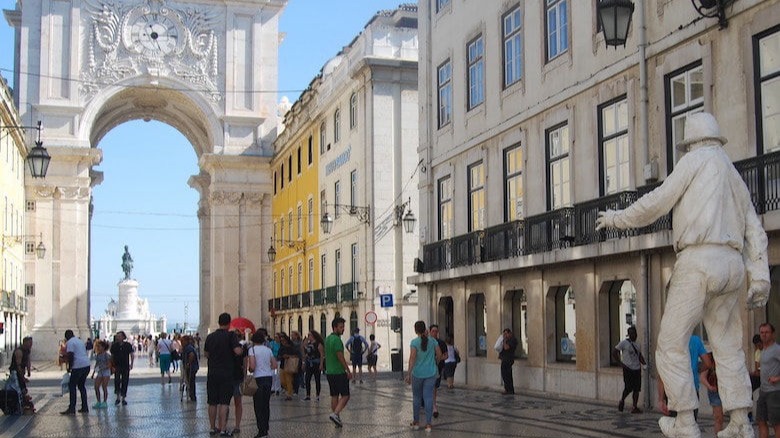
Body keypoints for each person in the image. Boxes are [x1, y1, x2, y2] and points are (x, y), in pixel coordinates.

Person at [595, 112, 770, 438]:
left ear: (690, 142)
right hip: (731, 264)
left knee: (671, 343)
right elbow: (754, 227)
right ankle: (740, 421)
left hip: (698, 261)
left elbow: (657, 202)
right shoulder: (732, 173)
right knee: (729, 346)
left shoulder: (694, 161)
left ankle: (685, 420)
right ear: (717, 137)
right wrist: (759, 275)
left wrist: (618, 219)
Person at [204, 312, 242, 437]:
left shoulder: (210, 337)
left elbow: (206, 354)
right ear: (229, 323)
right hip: (226, 373)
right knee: (224, 402)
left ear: (218, 322)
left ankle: (211, 427)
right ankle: (223, 429)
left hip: (212, 373)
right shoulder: (231, 336)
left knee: (212, 402)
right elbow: (237, 351)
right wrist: (241, 349)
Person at [405, 320, 443, 433]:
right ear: (425, 328)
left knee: (417, 398)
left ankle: (416, 422)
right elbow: (440, 355)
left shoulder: (414, 342)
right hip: (431, 373)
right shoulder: (433, 341)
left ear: (416, 330)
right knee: (428, 397)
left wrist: (408, 374)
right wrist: (435, 363)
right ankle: (428, 424)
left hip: (417, 373)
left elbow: (412, 359)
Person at [247, 329, 277, 438]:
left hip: (258, 379)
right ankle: (266, 428)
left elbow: (252, 367)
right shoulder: (268, 350)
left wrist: (250, 369)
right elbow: (274, 365)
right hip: (268, 378)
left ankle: (261, 430)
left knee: (258, 406)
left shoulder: (252, 350)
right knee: (266, 404)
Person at [324, 316, 352, 428]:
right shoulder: (337, 340)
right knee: (346, 395)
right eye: (341, 327)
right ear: (335, 327)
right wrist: (347, 369)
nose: (343, 329)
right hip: (338, 372)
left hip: (329, 372)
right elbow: (340, 356)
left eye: (343, 327)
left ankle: (337, 419)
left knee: (334, 395)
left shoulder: (327, 339)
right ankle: (335, 414)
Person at [613, 326, 646, 414]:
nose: (633, 335)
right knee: (628, 388)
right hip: (628, 369)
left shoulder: (638, 344)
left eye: (635, 333)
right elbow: (615, 351)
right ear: (629, 334)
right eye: (631, 333)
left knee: (636, 389)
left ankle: (634, 407)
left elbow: (639, 355)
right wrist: (620, 363)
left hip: (637, 369)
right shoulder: (624, 343)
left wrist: (644, 364)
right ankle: (622, 400)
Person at [757, 323, 780, 438]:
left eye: (767, 332)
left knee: (776, 424)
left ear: (772, 334)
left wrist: (777, 378)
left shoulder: (777, 349)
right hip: (763, 391)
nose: (764, 335)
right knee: (761, 421)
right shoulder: (763, 350)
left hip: (774, 392)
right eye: (762, 332)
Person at [61, 329, 91, 415]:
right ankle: (85, 406)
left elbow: (71, 355)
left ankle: (72, 408)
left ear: (66, 336)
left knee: (72, 386)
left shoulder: (70, 342)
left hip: (78, 366)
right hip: (86, 365)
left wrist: (69, 367)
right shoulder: (79, 341)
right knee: (81, 386)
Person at [700, 352, 724, 435]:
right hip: (715, 391)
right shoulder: (710, 357)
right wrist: (710, 387)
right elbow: (702, 377)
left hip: (726, 390)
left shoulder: (726, 356)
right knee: (719, 418)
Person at [110, 331, 134, 406]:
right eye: (117, 336)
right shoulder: (114, 346)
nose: (118, 337)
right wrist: (112, 366)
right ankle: (117, 397)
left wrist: (131, 364)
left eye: (120, 336)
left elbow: (132, 354)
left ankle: (123, 398)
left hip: (125, 366)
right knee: (116, 381)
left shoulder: (128, 345)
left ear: (123, 337)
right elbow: (112, 356)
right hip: (117, 366)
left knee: (125, 381)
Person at [429, 324, 448, 418]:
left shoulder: (441, 343)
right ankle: (432, 405)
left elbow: (446, 355)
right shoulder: (427, 342)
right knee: (430, 387)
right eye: (433, 331)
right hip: (427, 369)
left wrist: (439, 358)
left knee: (434, 388)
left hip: (438, 368)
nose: (435, 333)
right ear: (429, 332)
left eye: (436, 331)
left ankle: (433, 405)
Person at [303, 330, 325, 401]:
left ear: (313, 336)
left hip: (316, 363)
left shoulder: (318, 344)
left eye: (309, 335)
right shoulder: (309, 344)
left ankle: (317, 395)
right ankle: (308, 395)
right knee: (307, 379)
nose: (308, 336)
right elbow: (305, 353)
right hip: (309, 363)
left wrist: (321, 364)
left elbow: (322, 354)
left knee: (317, 379)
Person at [278, 334, 299, 401]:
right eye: (281, 341)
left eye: (283, 340)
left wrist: (289, 356)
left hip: (289, 365)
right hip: (282, 365)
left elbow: (296, 355)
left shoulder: (292, 347)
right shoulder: (281, 348)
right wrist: (282, 356)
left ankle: (289, 394)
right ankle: (288, 390)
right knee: (282, 381)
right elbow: (278, 355)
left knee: (288, 380)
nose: (282, 342)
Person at [91, 340, 111, 409]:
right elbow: (97, 364)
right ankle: (98, 401)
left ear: (103, 347)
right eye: (97, 346)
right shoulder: (98, 355)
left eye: (99, 346)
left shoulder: (106, 355)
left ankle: (105, 402)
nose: (98, 348)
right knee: (96, 386)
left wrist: (103, 368)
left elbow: (109, 365)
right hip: (99, 372)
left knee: (104, 387)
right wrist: (94, 373)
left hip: (106, 372)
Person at [499, 328, 518, 395]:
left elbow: (506, 347)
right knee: (504, 375)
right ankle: (507, 389)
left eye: (506, 333)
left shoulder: (513, 340)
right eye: (504, 334)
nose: (505, 335)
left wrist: (504, 341)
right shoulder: (506, 340)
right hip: (504, 359)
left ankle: (510, 390)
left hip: (508, 359)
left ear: (510, 333)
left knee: (508, 375)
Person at [181, 335, 199, 402]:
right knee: (190, 381)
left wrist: (188, 363)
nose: (181, 343)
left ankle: (192, 396)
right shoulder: (187, 347)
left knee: (191, 381)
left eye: (182, 341)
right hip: (191, 367)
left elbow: (191, 355)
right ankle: (191, 395)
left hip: (191, 367)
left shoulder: (188, 348)